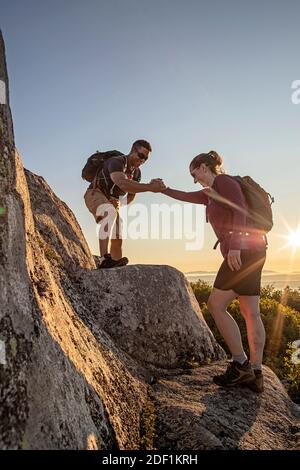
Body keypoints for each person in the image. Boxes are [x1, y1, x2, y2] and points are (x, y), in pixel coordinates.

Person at [160, 151, 267, 393]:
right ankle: (256, 373)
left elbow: (239, 209)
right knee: (251, 312)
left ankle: (241, 364)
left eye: (193, 173)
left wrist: (236, 246)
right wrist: (163, 189)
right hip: (256, 249)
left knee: (215, 305)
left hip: (244, 250)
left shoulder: (223, 182)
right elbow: (185, 196)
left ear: (203, 167)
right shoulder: (211, 192)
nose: (194, 179)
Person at [84, 139, 164, 269]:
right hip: (95, 193)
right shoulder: (117, 162)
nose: (142, 161)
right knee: (108, 212)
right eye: (141, 156)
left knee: (118, 232)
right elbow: (122, 182)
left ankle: (116, 265)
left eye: (146, 159)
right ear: (133, 150)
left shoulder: (136, 173)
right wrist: (150, 187)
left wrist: (118, 204)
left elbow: (130, 197)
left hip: (112, 201)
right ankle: (104, 259)